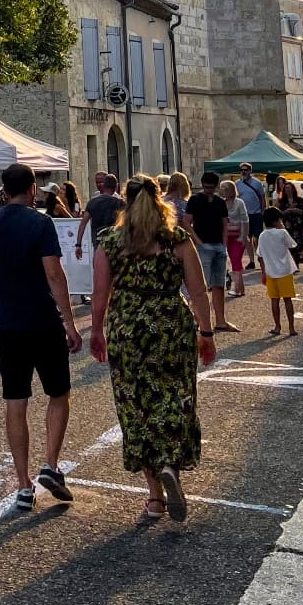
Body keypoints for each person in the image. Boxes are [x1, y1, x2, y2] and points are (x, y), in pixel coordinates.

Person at [89, 175, 216, 522]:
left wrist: (97, 331)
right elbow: (198, 290)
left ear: (125, 204)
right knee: (175, 396)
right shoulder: (176, 239)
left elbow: (100, 294)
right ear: (161, 200)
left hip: (127, 327)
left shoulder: (111, 241)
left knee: (135, 405)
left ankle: (156, 497)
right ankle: (170, 464)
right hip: (170, 324)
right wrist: (206, 332)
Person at [0, 161, 83, 509]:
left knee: (15, 400)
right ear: (33, 189)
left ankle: (23, 484)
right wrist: (69, 321)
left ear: (5, 190)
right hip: (40, 319)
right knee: (58, 392)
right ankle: (50, 463)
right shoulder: (41, 222)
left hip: (6, 320)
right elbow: (54, 274)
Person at [186, 172, 238, 332]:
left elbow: (224, 224)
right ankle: (198, 320)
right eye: (206, 187)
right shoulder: (195, 200)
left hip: (218, 246)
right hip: (203, 247)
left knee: (219, 285)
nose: (208, 190)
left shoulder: (220, 202)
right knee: (201, 287)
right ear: (202, 185)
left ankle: (221, 321)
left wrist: (224, 244)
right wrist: (198, 242)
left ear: (216, 187)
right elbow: (186, 222)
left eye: (211, 188)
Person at [255, 208, 299, 337]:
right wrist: (283, 228)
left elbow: (260, 255)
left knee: (274, 300)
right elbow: (293, 245)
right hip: (285, 270)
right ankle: (291, 327)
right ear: (276, 221)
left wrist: (263, 271)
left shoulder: (262, 235)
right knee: (287, 299)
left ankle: (277, 326)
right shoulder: (282, 233)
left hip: (270, 271)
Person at [74, 174, 124, 262]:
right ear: (116, 187)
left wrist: (78, 245)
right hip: (115, 246)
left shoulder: (92, 202)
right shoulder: (120, 203)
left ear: (104, 186)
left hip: (98, 246)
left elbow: (83, 223)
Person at [219, 180, 248, 297]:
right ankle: (241, 288)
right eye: (221, 188)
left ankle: (237, 289)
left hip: (238, 235)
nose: (222, 191)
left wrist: (244, 237)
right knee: (233, 261)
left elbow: (245, 220)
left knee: (236, 260)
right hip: (225, 236)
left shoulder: (239, 202)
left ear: (231, 190)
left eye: (224, 188)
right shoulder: (221, 203)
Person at [235, 161, 266, 269]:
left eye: (246, 170)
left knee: (257, 238)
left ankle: (261, 258)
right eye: (242, 170)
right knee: (247, 239)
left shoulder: (257, 183)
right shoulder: (237, 183)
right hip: (244, 215)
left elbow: (262, 197)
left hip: (256, 213)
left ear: (250, 171)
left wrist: (262, 211)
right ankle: (252, 261)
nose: (243, 172)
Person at [277, 181, 303, 265]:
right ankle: (290, 264)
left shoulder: (299, 200)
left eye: (289, 188)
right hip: (287, 225)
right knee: (288, 244)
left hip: (298, 225)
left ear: (293, 189)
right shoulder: (281, 201)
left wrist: (296, 210)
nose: (287, 190)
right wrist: (287, 211)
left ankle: (296, 263)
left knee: (298, 244)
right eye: (286, 188)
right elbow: (279, 214)